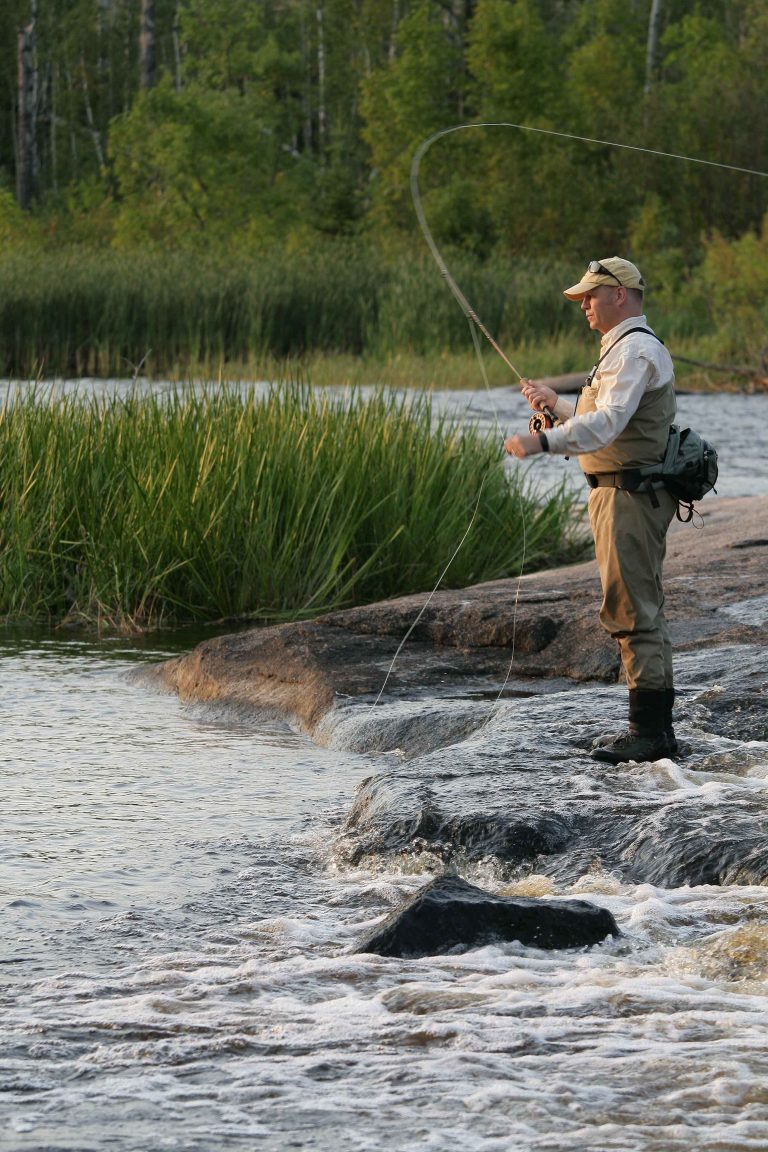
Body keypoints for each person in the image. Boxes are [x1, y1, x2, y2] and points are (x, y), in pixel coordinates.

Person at [504, 257, 678, 765]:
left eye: (590, 295)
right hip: (620, 494)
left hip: (629, 497)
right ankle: (656, 729)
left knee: (632, 610)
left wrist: (541, 443)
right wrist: (556, 405)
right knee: (638, 607)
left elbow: (606, 426)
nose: (583, 304)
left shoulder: (635, 351)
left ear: (619, 295)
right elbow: (603, 417)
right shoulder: (622, 350)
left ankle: (649, 734)